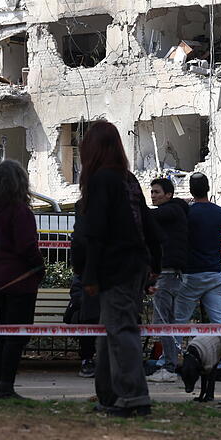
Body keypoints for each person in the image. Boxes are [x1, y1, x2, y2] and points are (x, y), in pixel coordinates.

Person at [74, 121, 161, 417]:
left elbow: (95, 232)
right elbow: (149, 224)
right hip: (135, 264)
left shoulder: (101, 180)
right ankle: (110, 395)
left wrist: (89, 274)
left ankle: (133, 398)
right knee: (110, 330)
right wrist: (155, 265)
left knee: (121, 331)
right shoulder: (129, 179)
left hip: (115, 267)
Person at [0, 160, 43, 400]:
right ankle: (6, 386)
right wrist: (39, 268)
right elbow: (27, 246)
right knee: (16, 335)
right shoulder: (20, 212)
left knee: (2, 333)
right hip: (21, 280)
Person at [176, 172, 221, 330]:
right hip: (215, 273)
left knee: (179, 321)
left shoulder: (187, 213)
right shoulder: (220, 212)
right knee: (219, 321)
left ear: (190, 190)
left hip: (191, 274)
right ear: (208, 188)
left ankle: (170, 355)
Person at [147, 177, 191, 384]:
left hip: (167, 274)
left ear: (168, 194)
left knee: (164, 321)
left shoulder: (172, 211)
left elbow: (148, 217)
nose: (153, 195)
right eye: (152, 192)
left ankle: (169, 366)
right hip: (170, 273)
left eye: (157, 192)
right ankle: (169, 363)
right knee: (169, 321)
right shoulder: (175, 211)